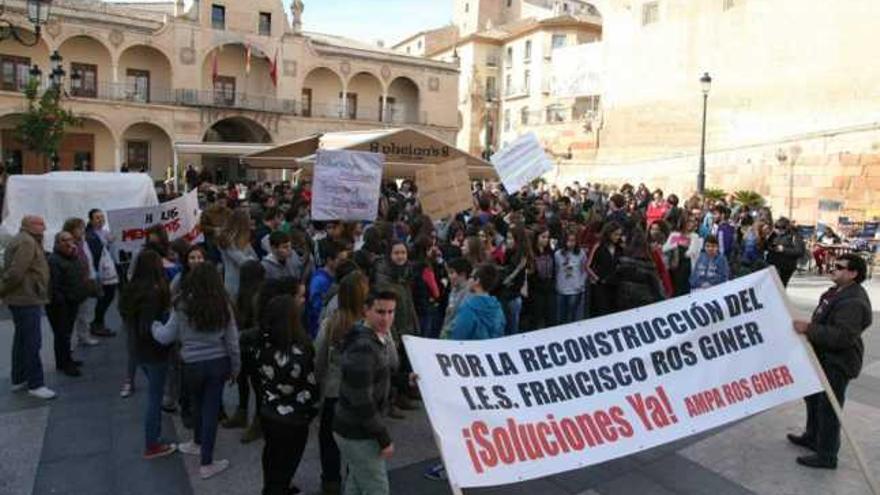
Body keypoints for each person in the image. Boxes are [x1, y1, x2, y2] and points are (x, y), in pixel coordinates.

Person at [151, 264, 241, 479]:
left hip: (191, 364)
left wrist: (153, 326)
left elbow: (165, 337)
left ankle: (196, 443)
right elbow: (232, 341)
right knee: (211, 410)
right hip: (218, 363)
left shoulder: (182, 304)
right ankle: (207, 462)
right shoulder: (223, 304)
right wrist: (236, 368)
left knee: (196, 404)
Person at [790, 254, 872, 469]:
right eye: (834, 265)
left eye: (839, 266)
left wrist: (809, 329)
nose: (832, 268)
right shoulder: (837, 292)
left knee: (829, 408)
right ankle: (812, 437)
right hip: (822, 356)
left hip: (837, 362)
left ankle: (827, 454)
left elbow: (842, 336)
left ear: (853, 273)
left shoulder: (853, 301)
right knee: (814, 399)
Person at [333, 288, 398, 495]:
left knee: (358, 482)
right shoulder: (364, 346)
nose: (386, 318)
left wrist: (406, 379)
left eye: (391, 312)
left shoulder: (375, 336)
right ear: (366, 311)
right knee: (376, 487)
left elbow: (378, 374)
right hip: (358, 432)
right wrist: (383, 438)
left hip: (354, 428)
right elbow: (361, 400)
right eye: (380, 312)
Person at [256, 295, 320, 495]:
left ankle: (273, 487)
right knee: (288, 462)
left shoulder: (262, 344)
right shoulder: (303, 349)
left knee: (272, 456)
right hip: (295, 418)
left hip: (269, 412)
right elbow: (310, 385)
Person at [316, 270, 369, 495]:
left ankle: (330, 483)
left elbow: (319, 357)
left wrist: (319, 383)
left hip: (334, 392)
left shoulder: (331, 323)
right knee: (357, 443)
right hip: (362, 394)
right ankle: (353, 483)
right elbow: (390, 358)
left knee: (328, 440)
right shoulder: (370, 324)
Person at [120, 250, 176, 459]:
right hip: (154, 351)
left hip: (137, 350)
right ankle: (152, 443)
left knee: (154, 393)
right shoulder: (153, 293)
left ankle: (154, 439)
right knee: (154, 397)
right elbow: (150, 326)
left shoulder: (130, 289)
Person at [1, 216, 55, 399]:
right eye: (40, 224)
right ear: (28, 225)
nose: (44, 226)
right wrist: (3, 290)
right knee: (32, 341)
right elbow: (16, 272)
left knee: (22, 340)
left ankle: (19, 378)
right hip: (26, 298)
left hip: (23, 297)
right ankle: (36, 383)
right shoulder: (27, 242)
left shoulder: (26, 240)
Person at [46, 231, 90, 377]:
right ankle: (66, 364)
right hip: (60, 304)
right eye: (64, 240)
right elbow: (55, 285)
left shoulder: (73, 256)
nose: (68, 243)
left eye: (70, 239)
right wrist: (62, 303)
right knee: (62, 334)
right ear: (57, 243)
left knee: (66, 333)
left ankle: (64, 360)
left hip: (72, 301)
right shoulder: (54, 260)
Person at [85, 208, 119, 337]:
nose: (101, 220)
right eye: (97, 218)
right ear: (91, 220)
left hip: (108, 269)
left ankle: (98, 322)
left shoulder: (104, 232)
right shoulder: (90, 235)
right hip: (100, 271)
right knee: (104, 297)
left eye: (102, 217)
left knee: (107, 296)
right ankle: (97, 323)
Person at [451, 263, 506, 340]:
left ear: (477, 281)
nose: (469, 280)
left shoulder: (468, 308)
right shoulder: (498, 308)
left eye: (471, 277)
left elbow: (458, 338)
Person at [308, 240, 347, 338]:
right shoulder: (319, 281)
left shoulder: (338, 275)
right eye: (341, 260)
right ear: (330, 260)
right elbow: (316, 309)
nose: (344, 264)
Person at [218, 209, 258, 299]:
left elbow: (255, 257)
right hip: (234, 282)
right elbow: (242, 261)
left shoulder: (244, 240)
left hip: (246, 281)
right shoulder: (227, 241)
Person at [555, 231, 588, 324]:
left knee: (573, 315)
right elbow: (556, 269)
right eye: (568, 240)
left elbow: (584, 270)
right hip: (561, 288)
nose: (571, 243)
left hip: (575, 288)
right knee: (561, 316)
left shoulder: (581, 254)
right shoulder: (558, 254)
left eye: (573, 240)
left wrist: (581, 283)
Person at [439, 258, 473, 339]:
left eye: (452, 273)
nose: (449, 276)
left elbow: (461, 318)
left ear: (463, 274)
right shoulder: (454, 290)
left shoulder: (470, 293)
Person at [766, 217, 805, 287]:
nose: (778, 230)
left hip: (786, 267)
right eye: (776, 227)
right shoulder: (773, 234)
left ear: (787, 227)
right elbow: (767, 245)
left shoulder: (795, 235)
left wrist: (784, 249)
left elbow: (800, 251)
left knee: (780, 286)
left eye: (781, 228)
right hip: (772, 264)